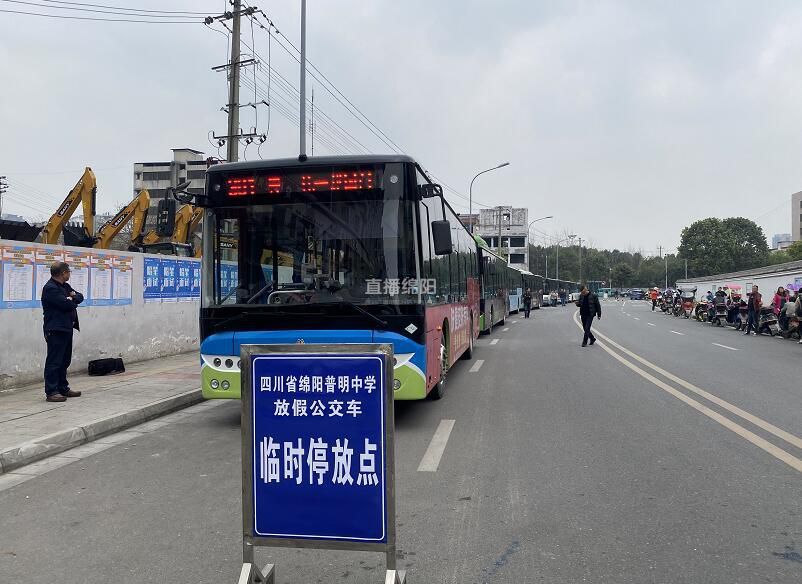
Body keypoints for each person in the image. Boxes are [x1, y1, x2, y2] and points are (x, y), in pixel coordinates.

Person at [41, 261, 84, 402]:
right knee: (54, 361)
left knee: (64, 360)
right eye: (68, 272)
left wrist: (72, 297)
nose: (69, 274)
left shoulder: (65, 286)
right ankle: (51, 391)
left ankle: (63, 388)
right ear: (63, 273)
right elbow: (67, 305)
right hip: (55, 329)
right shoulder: (50, 288)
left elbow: (80, 297)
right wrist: (71, 298)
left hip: (66, 328)